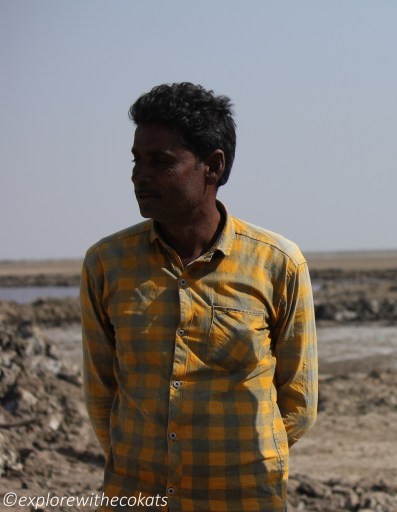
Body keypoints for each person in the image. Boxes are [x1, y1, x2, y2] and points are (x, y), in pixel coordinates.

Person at [80, 82, 318, 511]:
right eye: (136, 160)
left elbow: (298, 400)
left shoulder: (278, 262)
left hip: (242, 496)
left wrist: (239, 460)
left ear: (213, 166)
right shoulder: (106, 263)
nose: (140, 175)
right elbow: (101, 394)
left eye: (161, 162)